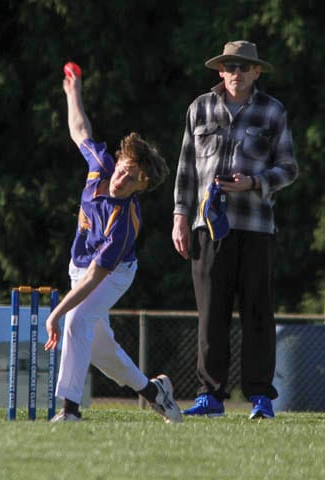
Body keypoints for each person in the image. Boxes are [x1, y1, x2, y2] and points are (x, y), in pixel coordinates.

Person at [44, 65, 181, 423]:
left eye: (132, 179)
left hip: (113, 274)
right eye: (123, 169)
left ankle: (69, 412)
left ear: (142, 186)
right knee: (100, 349)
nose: (122, 179)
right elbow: (80, 131)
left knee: (76, 320)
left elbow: (96, 277)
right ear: (117, 161)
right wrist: (73, 93)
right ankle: (154, 392)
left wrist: (56, 314)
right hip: (81, 266)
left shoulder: (123, 224)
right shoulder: (100, 166)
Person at [172, 40, 298, 419]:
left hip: (256, 227)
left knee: (258, 312)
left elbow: (288, 169)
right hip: (208, 227)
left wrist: (254, 183)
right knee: (211, 314)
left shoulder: (273, 111)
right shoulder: (199, 108)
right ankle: (210, 397)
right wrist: (180, 216)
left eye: (244, 67)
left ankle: (260, 397)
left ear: (257, 72)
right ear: (220, 70)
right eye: (230, 66)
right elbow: (186, 169)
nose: (236, 73)